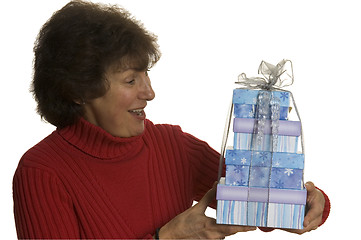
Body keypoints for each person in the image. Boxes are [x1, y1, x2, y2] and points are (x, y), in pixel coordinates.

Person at [12, 1, 330, 239]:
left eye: (146, 76)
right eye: (130, 80)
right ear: (79, 90)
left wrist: (311, 202)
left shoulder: (173, 146)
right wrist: (169, 236)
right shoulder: (43, 173)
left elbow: (260, 204)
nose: (149, 93)